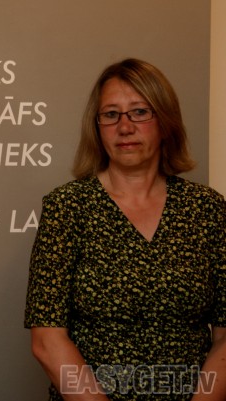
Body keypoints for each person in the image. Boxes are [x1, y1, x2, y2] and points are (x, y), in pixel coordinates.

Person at [24, 58, 226, 400]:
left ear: (165, 122)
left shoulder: (207, 209)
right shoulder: (67, 207)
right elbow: (46, 340)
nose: (125, 127)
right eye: (111, 114)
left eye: (140, 112)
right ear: (97, 127)